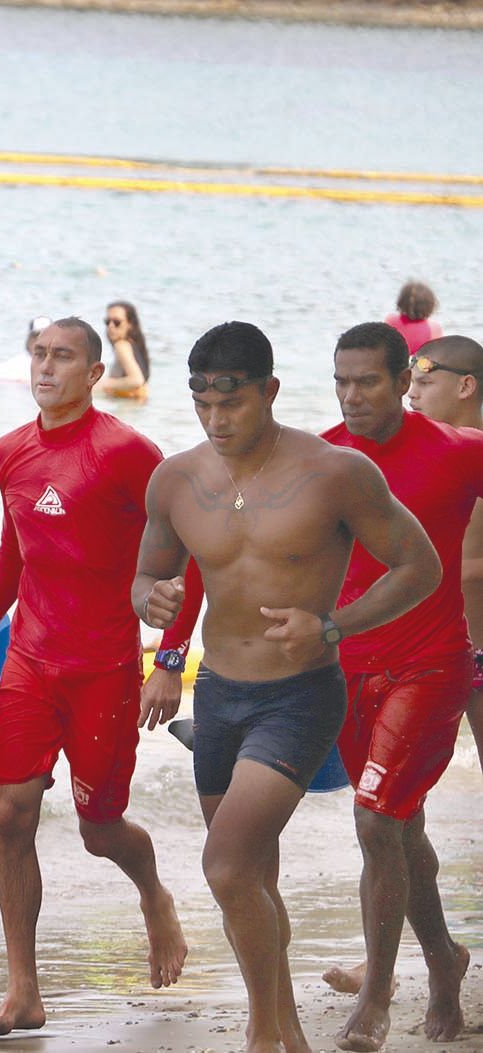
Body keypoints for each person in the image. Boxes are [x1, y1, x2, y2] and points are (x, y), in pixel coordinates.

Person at [134, 320, 440, 1053]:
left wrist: (331, 626)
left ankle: (266, 1037)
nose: (215, 420)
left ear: (269, 391)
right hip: (219, 697)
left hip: (297, 695)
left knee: (225, 862)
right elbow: (146, 573)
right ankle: (285, 1030)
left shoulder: (333, 472)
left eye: (231, 403)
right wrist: (152, 603)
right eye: (201, 404)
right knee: (253, 877)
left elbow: (417, 565)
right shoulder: (175, 478)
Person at [0, 317, 191, 1038]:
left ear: (94, 373)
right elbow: (14, 545)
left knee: (98, 828)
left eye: (62, 357)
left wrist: (170, 660)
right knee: (9, 813)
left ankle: (152, 894)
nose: (45, 367)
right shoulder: (10, 451)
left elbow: (190, 551)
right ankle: (22, 989)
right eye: (37, 354)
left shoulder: (126, 453)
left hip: (106, 670)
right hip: (28, 660)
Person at [309, 323, 481, 1051]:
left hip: (432, 664)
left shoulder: (459, 451)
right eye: (340, 382)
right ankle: (443, 957)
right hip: (345, 667)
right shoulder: (318, 455)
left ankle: (377, 994)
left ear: (401, 381)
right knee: (399, 825)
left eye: (367, 382)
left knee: (377, 819)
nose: (352, 397)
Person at [405, 336, 483, 781]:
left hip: (476, 649)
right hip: (432, 649)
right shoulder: (426, 456)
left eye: (423, 383)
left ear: (466, 386)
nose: (411, 394)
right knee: (402, 791)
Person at [96, 300, 150, 398]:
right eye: (107, 322)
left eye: (117, 322)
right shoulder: (132, 345)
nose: (111, 326)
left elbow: (137, 380)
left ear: (130, 324)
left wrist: (102, 384)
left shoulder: (121, 346)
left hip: (128, 409)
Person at [385, 280, 443, 357]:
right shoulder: (434, 328)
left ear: (401, 302)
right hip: (419, 367)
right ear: (430, 305)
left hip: (396, 365)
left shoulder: (391, 320)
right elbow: (437, 355)